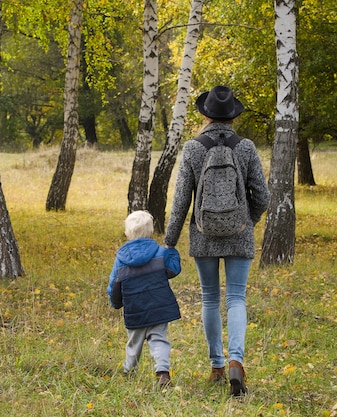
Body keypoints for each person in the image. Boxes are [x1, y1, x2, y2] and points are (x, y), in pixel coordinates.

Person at [164, 85, 270, 396]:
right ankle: (237, 361)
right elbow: (262, 196)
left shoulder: (193, 149)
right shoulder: (246, 148)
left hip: (204, 233)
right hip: (239, 233)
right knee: (236, 298)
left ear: (206, 115)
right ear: (233, 116)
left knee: (210, 298)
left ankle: (217, 366)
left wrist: (169, 241)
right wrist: (248, 220)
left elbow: (182, 199)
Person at [107, 210, 182, 388]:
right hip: (159, 307)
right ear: (151, 232)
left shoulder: (122, 260)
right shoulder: (160, 253)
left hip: (135, 308)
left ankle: (129, 371)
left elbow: (114, 284)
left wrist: (116, 302)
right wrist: (172, 252)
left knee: (134, 342)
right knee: (159, 339)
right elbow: (173, 270)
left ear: (127, 233)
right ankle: (163, 371)